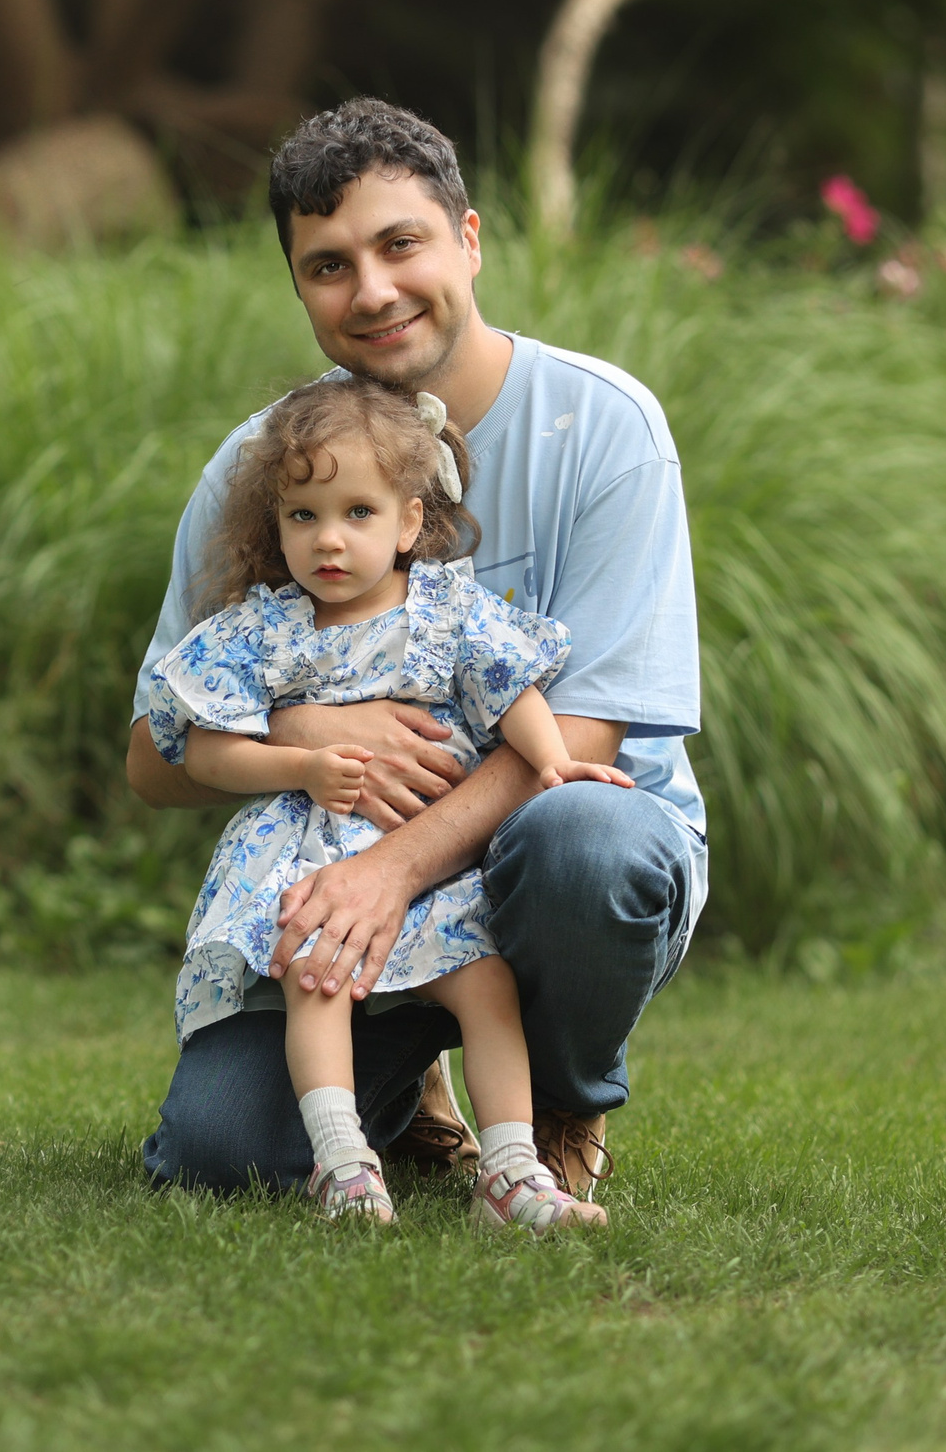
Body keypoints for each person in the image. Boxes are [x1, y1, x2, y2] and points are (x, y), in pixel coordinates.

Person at [129, 98, 708, 1199]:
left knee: (583, 831)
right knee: (219, 1158)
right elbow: (152, 758)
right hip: (331, 869)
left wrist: (386, 871)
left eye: (401, 245)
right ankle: (396, 1096)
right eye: (329, 265)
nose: (374, 291)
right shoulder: (267, 475)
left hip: (552, 852)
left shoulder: (603, 429)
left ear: (470, 239)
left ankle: (559, 1095)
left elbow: (580, 731)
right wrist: (299, 732)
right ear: (298, 285)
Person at [142, 374, 629, 1229]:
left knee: (484, 982)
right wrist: (299, 763)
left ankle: (513, 1169)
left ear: (409, 521)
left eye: (358, 513)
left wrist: (554, 766)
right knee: (317, 979)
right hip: (310, 856)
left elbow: (510, 690)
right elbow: (207, 749)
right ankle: (345, 1162)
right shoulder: (265, 628)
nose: (330, 540)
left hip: (428, 860)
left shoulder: (445, 610)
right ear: (278, 524)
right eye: (305, 516)